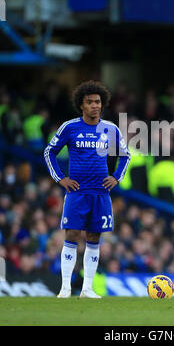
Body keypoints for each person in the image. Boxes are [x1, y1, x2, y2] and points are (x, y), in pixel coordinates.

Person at [44, 80, 131, 298]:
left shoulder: (110, 129)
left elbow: (125, 155)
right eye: (89, 102)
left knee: (94, 237)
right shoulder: (70, 127)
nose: (95, 105)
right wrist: (61, 178)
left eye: (98, 102)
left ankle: (87, 289)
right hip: (77, 192)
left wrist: (116, 177)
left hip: (101, 193)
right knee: (72, 234)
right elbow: (49, 152)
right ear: (81, 105)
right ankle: (64, 288)